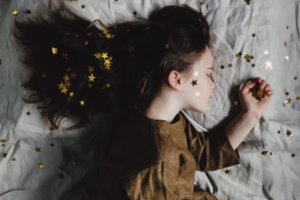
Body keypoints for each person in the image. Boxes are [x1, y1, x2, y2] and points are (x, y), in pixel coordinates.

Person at [11, 0, 273, 199]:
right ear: (177, 79)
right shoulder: (155, 166)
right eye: (206, 75)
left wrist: (249, 115)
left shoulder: (162, 121)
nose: (213, 84)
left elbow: (205, 154)